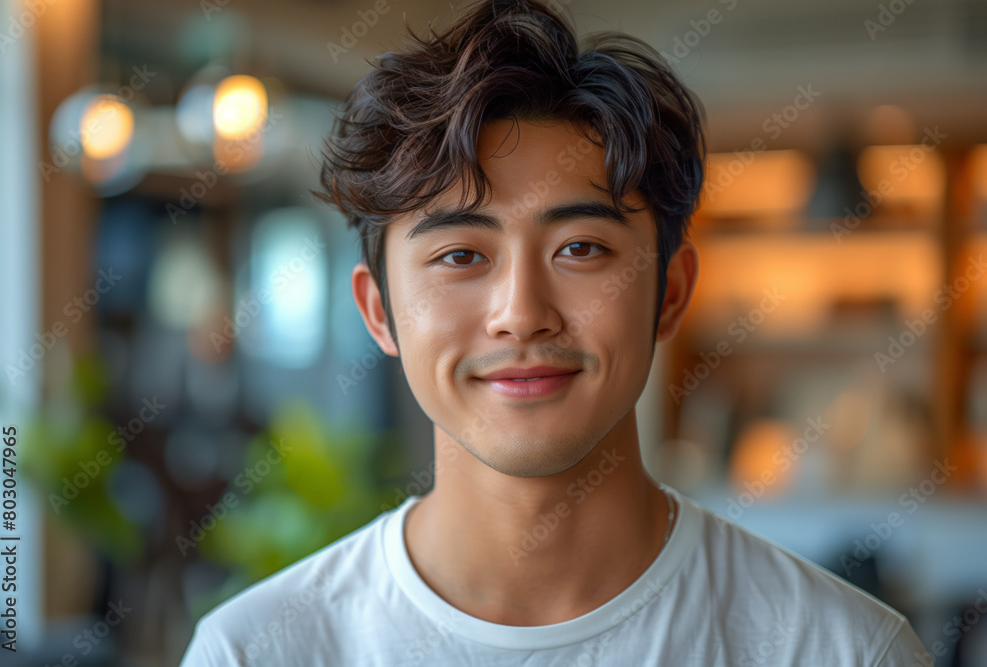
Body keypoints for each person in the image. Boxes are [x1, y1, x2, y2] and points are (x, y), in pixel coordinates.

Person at [180, 0, 930, 664]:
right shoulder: (257, 648)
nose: (521, 311)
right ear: (380, 313)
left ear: (670, 293)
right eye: (461, 255)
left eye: (581, 248)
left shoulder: (841, 647)